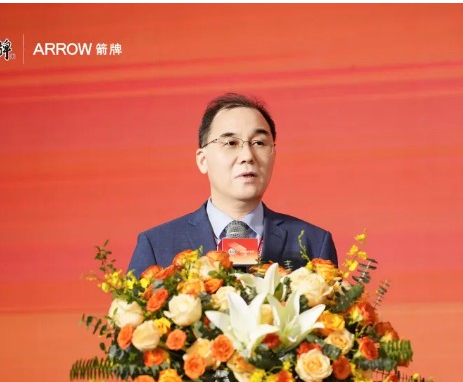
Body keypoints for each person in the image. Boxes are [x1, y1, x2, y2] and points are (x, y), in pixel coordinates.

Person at [128, 93, 338, 275]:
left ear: (274, 155)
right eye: (231, 143)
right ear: (203, 160)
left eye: (259, 143)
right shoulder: (157, 245)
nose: (247, 156)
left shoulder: (314, 243)